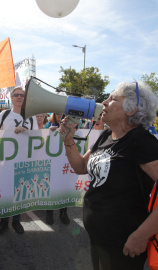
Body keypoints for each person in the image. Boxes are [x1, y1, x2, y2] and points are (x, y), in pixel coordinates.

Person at [59, 81, 158, 270]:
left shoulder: (141, 141)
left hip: (124, 242)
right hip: (100, 238)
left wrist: (141, 236)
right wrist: (68, 141)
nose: (104, 102)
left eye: (112, 99)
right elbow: (81, 167)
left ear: (131, 110)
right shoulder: (106, 136)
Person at [0, 86, 38, 235]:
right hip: (7, 161)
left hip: (23, 161)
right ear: (11, 98)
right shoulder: (4, 114)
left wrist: (26, 130)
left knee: (19, 192)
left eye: (22, 95)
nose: (19, 97)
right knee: (5, 192)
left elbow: (38, 137)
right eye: (16, 95)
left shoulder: (31, 116)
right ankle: (4, 221)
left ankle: (16, 221)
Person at [43, 113, 70, 225]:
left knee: (64, 188)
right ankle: (49, 213)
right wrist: (48, 131)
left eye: (62, 114)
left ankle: (63, 213)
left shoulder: (70, 125)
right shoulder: (49, 124)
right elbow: (41, 138)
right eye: (58, 114)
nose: (60, 116)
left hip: (65, 162)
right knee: (52, 188)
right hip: (52, 164)